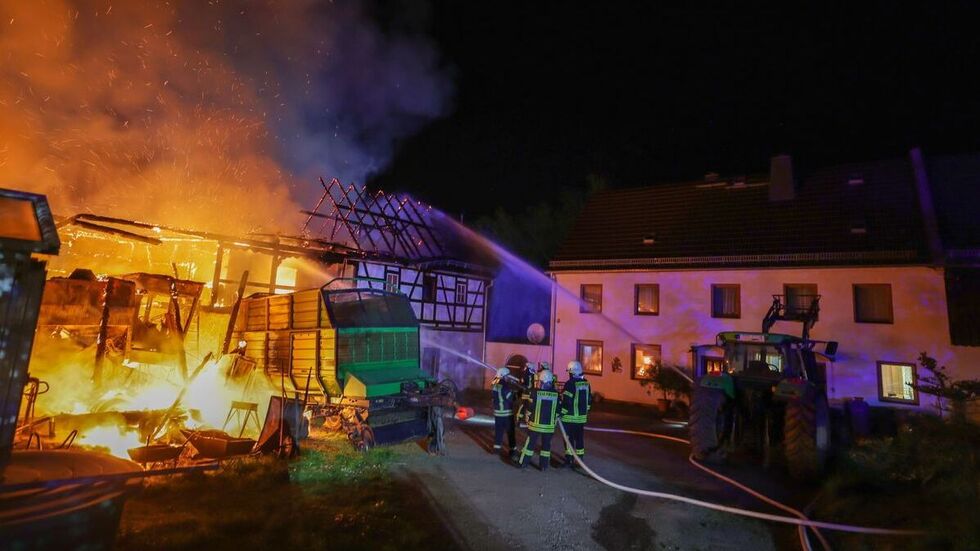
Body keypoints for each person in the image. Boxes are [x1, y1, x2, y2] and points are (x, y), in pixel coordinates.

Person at [517, 369, 559, 471]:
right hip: (549, 427)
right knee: (546, 447)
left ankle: (524, 463)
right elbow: (558, 411)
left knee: (529, 445)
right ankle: (544, 466)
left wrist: (526, 418)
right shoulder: (556, 394)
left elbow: (530, 408)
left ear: (542, 381)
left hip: (535, 425)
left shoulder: (534, 393)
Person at [558, 360, 592, 468]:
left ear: (572, 372)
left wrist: (560, 413)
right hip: (581, 418)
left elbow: (567, 401)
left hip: (569, 418)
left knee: (568, 439)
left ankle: (569, 460)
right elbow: (589, 400)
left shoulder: (570, 383)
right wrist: (584, 413)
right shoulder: (586, 383)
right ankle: (580, 461)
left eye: (569, 372)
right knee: (579, 438)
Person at [490, 367, 517, 457]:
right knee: (510, 432)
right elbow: (510, 399)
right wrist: (517, 395)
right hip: (507, 413)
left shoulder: (495, 384)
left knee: (499, 431)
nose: (508, 377)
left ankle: (496, 449)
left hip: (498, 413)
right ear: (503, 376)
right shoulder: (505, 386)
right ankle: (513, 450)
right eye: (507, 376)